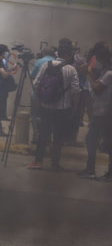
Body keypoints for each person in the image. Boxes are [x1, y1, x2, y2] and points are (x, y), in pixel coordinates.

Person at [28, 38, 81, 171]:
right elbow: (76, 92)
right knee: (58, 137)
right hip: (62, 109)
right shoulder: (71, 70)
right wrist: (74, 109)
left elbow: (36, 84)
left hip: (46, 107)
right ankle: (55, 164)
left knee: (43, 135)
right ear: (69, 55)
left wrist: (40, 101)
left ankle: (38, 162)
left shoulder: (47, 65)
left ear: (58, 52)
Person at [78, 44, 111, 180]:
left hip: (106, 113)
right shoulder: (105, 71)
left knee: (106, 143)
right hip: (100, 112)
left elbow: (97, 88)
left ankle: (105, 172)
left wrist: (88, 75)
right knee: (92, 140)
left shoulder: (109, 73)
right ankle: (90, 169)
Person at [0, 44, 17, 136]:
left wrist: (9, 70)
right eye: (6, 51)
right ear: (1, 52)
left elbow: (3, 73)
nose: (7, 53)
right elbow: (4, 74)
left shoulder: (0, 61)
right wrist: (9, 72)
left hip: (0, 88)